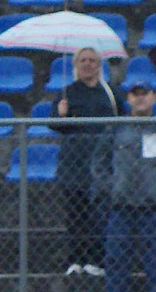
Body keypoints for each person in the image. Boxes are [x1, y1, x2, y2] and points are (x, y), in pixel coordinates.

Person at [50, 47, 125, 278]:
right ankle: (75, 259)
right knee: (75, 214)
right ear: (76, 65)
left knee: (98, 214)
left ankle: (96, 260)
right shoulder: (66, 93)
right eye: (83, 60)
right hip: (74, 163)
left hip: (103, 163)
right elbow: (55, 125)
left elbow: (122, 121)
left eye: (92, 60)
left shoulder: (110, 93)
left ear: (99, 65)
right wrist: (60, 115)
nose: (87, 64)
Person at [99, 79, 156, 292]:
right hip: (121, 208)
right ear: (127, 98)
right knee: (116, 261)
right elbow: (100, 163)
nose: (140, 98)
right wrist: (109, 190)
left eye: (144, 94)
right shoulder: (116, 129)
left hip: (155, 209)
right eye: (134, 94)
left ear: (154, 97)